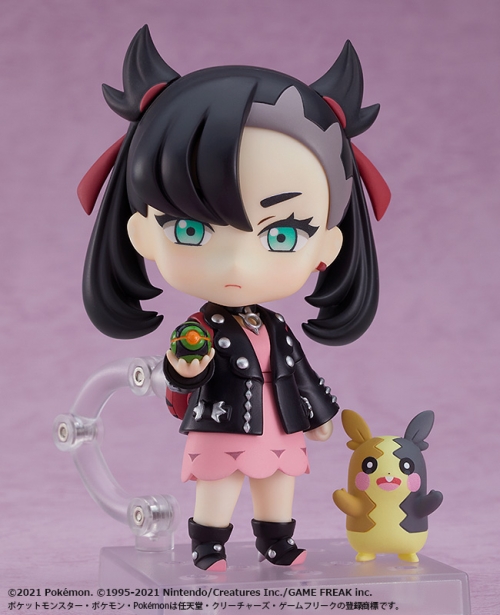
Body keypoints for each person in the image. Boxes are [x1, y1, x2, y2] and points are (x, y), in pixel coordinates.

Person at [78, 25, 390, 571]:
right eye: (191, 229)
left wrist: (318, 414)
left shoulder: (276, 328)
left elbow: (299, 370)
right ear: (142, 233)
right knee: (218, 485)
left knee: (278, 484)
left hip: (278, 421)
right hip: (220, 422)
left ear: (327, 246)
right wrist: (184, 367)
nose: (238, 265)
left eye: (283, 235)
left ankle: (276, 539)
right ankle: (208, 542)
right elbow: (182, 374)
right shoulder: (198, 328)